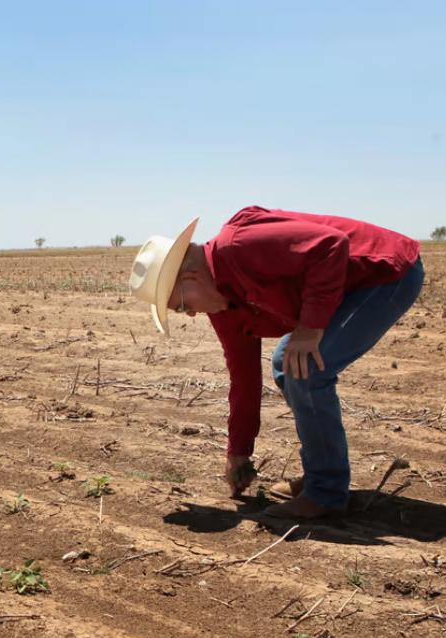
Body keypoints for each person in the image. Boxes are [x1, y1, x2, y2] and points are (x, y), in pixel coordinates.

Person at [128, 206, 424, 519]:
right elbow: (244, 379)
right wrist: (238, 451)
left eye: (181, 304)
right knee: (288, 363)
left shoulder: (239, 245)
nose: (189, 314)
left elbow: (331, 245)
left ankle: (326, 492)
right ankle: (320, 478)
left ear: (190, 276)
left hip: (385, 275)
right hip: (346, 289)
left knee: (305, 368)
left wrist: (310, 327)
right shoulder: (223, 308)